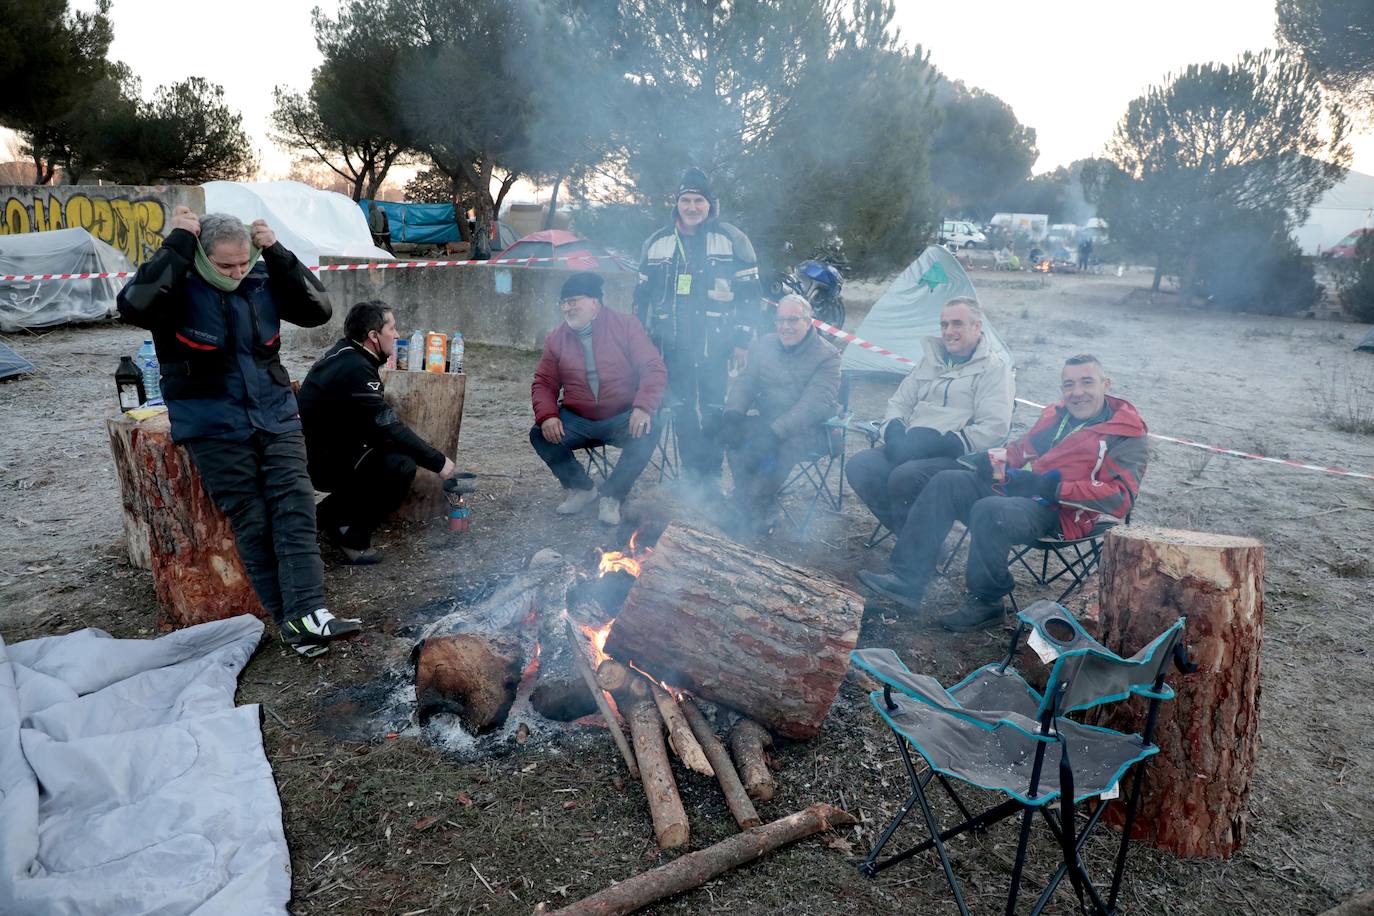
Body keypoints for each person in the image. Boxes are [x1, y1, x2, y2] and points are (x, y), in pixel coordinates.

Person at [116, 207, 359, 658]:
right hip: (212, 423)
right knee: (254, 520)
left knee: (296, 505)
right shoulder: (176, 283)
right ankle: (296, 627)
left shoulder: (262, 280)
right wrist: (177, 244)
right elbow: (133, 304)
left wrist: (278, 253)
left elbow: (318, 309)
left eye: (243, 261)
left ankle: (310, 613)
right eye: (226, 265)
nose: (237, 272)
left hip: (274, 411)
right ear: (202, 256)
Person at [857, 355, 1147, 632]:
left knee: (991, 509)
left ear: (1105, 384)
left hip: (1063, 512)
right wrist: (992, 462)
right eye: (1069, 384)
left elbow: (1119, 498)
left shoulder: (1124, 432)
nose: (1077, 392)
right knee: (948, 480)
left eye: (1087, 382)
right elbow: (1022, 452)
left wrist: (1052, 488)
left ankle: (987, 603)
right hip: (1027, 494)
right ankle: (908, 578)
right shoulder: (1057, 415)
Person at [298, 301, 458, 564]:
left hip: (330, 448)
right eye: (391, 328)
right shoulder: (356, 368)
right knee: (399, 466)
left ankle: (324, 519)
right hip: (319, 460)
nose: (396, 335)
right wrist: (438, 462)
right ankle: (351, 537)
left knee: (392, 453)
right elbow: (388, 425)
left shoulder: (350, 354)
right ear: (373, 336)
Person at [634, 167, 761, 488]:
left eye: (699, 201)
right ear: (676, 203)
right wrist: (640, 344)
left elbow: (751, 298)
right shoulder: (657, 242)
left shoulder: (733, 239)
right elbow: (641, 301)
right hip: (670, 346)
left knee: (715, 410)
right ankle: (692, 479)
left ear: (710, 204)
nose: (692, 207)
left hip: (717, 346)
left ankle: (712, 476)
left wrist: (743, 341)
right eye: (686, 200)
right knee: (682, 410)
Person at [846, 298, 1013, 534]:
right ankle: (912, 538)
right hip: (911, 445)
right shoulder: (931, 359)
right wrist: (894, 435)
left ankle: (915, 551)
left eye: (957, 324)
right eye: (944, 325)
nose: (948, 331)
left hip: (957, 456)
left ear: (977, 327)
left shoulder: (994, 369)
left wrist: (945, 443)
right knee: (861, 466)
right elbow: (899, 402)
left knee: (905, 477)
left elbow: (995, 428)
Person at [531, 271, 667, 525]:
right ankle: (582, 488)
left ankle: (613, 495)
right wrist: (548, 415)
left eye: (574, 301)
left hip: (621, 415)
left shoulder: (625, 326)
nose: (567, 308)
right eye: (564, 303)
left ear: (595, 303)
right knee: (539, 433)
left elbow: (653, 367)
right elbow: (544, 382)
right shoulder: (557, 338)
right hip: (579, 418)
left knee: (650, 428)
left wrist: (643, 407)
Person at [720, 294, 840, 535]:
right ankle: (745, 500)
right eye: (780, 320)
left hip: (811, 429)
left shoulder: (827, 355)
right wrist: (732, 415)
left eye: (793, 320)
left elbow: (813, 405)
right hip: (768, 420)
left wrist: (775, 432)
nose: (785, 327)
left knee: (781, 448)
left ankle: (758, 507)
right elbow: (746, 382)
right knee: (734, 437)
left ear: (809, 321)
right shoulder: (764, 344)